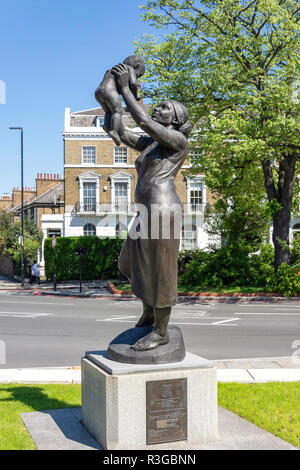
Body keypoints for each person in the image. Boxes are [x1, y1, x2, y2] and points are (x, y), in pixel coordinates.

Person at [110, 62, 191, 352]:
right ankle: (147, 311)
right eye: (157, 106)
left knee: (161, 270)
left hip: (163, 210)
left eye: (165, 107)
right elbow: (123, 133)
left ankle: (161, 330)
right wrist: (114, 103)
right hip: (146, 211)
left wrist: (124, 91)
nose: (158, 108)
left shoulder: (176, 141)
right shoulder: (151, 145)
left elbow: (143, 121)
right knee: (129, 263)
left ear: (176, 117)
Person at [95, 55, 145, 146]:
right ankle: (114, 131)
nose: (138, 77)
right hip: (110, 91)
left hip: (98, 92)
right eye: (139, 75)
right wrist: (135, 95)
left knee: (109, 110)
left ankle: (106, 125)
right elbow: (133, 83)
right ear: (136, 66)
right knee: (118, 111)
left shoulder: (112, 69)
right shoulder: (129, 69)